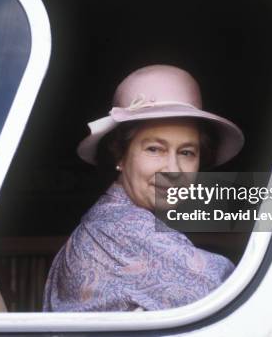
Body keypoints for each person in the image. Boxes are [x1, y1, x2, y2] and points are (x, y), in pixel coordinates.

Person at [42, 65, 244, 312]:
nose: (173, 169)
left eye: (187, 152)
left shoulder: (112, 218)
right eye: (154, 149)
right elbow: (234, 294)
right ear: (120, 154)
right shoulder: (120, 229)